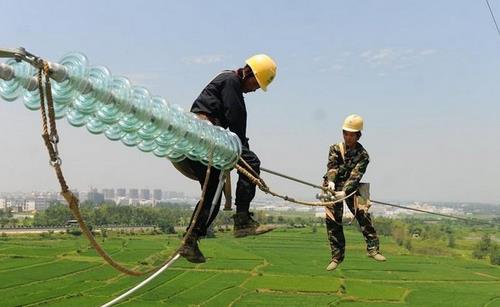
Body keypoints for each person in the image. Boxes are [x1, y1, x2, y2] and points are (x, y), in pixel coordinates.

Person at [177, 54, 277, 263]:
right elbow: (237, 121)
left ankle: (190, 240)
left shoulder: (225, 79)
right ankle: (242, 220)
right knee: (252, 163)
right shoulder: (231, 82)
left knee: (213, 194)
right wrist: (243, 154)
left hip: (200, 139)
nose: (254, 89)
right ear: (249, 73)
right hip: (207, 135)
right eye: (256, 84)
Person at [323, 114, 386, 271]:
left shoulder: (363, 155)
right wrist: (331, 181)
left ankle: (373, 250)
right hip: (333, 186)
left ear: (358, 135)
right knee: (333, 220)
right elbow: (332, 167)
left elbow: (355, 175)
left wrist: (345, 192)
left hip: (353, 187)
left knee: (363, 215)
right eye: (346, 133)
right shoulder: (335, 149)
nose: (348, 137)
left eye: (352, 134)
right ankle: (337, 257)